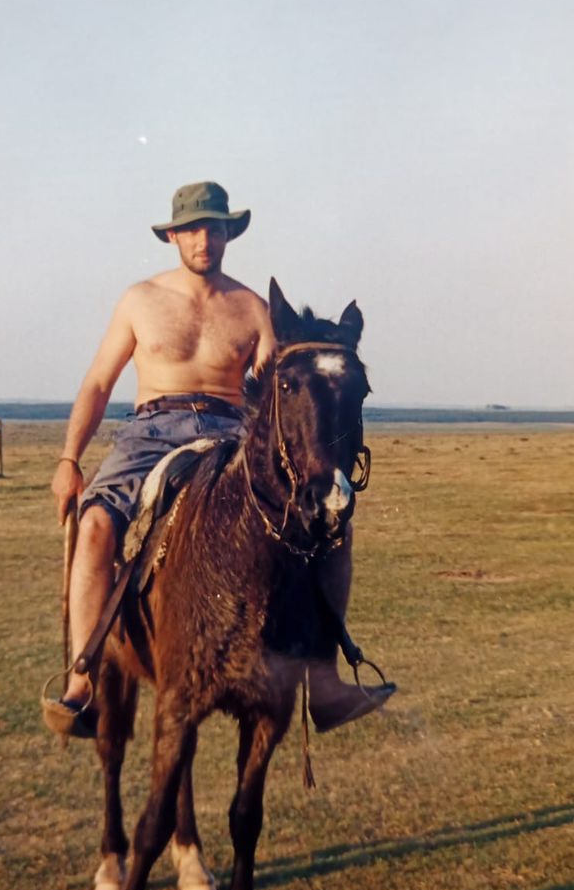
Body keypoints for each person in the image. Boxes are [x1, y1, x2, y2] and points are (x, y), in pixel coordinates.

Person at [50, 180, 382, 738]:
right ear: (174, 235)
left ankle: (323, 678)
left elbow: (286, 388)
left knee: (330, 526)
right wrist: (68, 459)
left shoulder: (252, 308)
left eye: (216, 227)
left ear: (229, 234)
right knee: (97, 526)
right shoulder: (141, 300)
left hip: (229, 430)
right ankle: (83, 682)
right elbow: (99, 383)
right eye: (194, 228)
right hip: (152, 430)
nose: (206, 239)